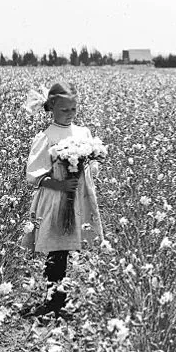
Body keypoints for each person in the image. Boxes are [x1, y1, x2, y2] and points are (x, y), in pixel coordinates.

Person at [19, 81, 103, 319]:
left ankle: (60, 299)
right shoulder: (46, 136)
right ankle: (53, 300)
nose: (70, 114)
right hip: (56, 199)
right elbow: (34, 176)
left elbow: (93, 167)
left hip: (78, 198)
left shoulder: (83, 133)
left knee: (68, 249)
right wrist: (61, 183)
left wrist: (84, 167)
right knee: (57, 250)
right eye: (64, 110)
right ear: (52, 107)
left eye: (73, 110)